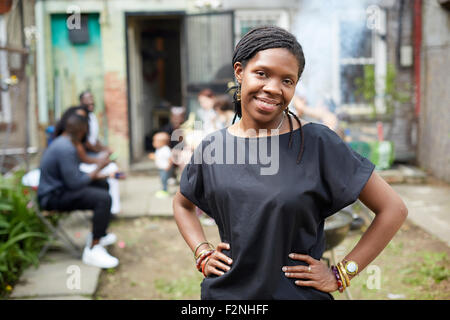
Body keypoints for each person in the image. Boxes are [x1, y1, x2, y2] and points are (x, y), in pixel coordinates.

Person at [173, 26, 408, 300]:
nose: (273, 88)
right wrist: (201, 251)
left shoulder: (318, 143)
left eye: (287, 80)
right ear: (239, 72)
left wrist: (342, 273)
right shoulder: (212, 147)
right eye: (262, 73)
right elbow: (182, 203)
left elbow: (393, 209)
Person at [38, 114, 119, 269]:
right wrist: (98, 167)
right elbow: (75, 184)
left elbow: (75, 176)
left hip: (60, 190)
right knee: (103, 198)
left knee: (102, 185)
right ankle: (93, 249)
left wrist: (104, 174)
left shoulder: (64, 143)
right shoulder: (65, 148)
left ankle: (99, 235)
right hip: (52, 197)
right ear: (82, 131)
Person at [54, 105, 124, 215]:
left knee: (104, 184)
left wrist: (107, 173)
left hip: (66, 184)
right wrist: (100, 166)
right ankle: (100, 229)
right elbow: (76, 182)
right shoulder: (67, 146)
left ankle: (106, 215)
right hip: (58, 192)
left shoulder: (69, 141)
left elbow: (76, 175)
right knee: (103, 198)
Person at [151, 132, 173, 198]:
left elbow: (170, 158)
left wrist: (169, 166)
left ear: (163, 142)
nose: (153, 143)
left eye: (155, 141)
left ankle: (165, 190)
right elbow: (159, 157)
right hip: (161, 168)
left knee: (164, 179)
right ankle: (163, 189)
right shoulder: (158, 149)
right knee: (162, 179)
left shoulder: (165, 149)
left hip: (165, 168)